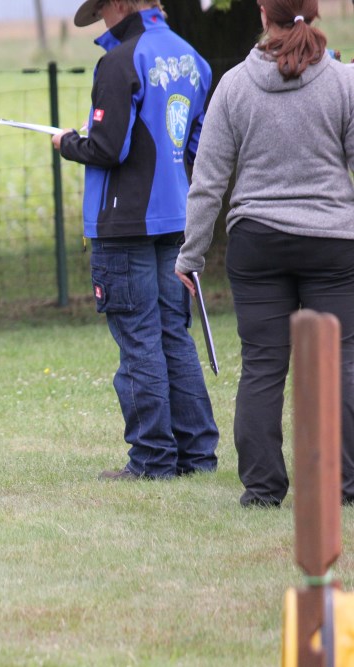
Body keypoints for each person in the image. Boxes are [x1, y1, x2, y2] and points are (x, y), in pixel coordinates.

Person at [175, 0, 354, 508]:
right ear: (312, 13)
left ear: (262, 13)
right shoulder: (344, 82)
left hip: (257, 242)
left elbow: (208, 183)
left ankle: (262, 488)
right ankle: (346, 485)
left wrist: (190, 255)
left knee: (262, 366)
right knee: (342, 361)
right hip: (333, 242)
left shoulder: (233, 85)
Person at [51, 0, 220, 480]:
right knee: (173, 335)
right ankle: (196, 454)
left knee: (139, 341)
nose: (102, 19)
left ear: (120, 4)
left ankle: (152, 459)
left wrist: (66, 143)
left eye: (102, 9)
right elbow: (197, 145)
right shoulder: (192, 57)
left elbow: (107, 148)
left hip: (124, 226)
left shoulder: (120, 61)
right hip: (176, 218)